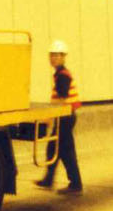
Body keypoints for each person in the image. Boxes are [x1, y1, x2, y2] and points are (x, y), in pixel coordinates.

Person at [35, 39, 82, 192]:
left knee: (65, 151)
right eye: (51, 55)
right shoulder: (60, 73)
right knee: (55, 148)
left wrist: (50, 115)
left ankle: (75, 184)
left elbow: (61, 99)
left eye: (56, 55)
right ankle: (50, 179)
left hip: (65, 118)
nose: (53, 58)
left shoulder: (63, 75)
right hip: (64, 117)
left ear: (63, 57)